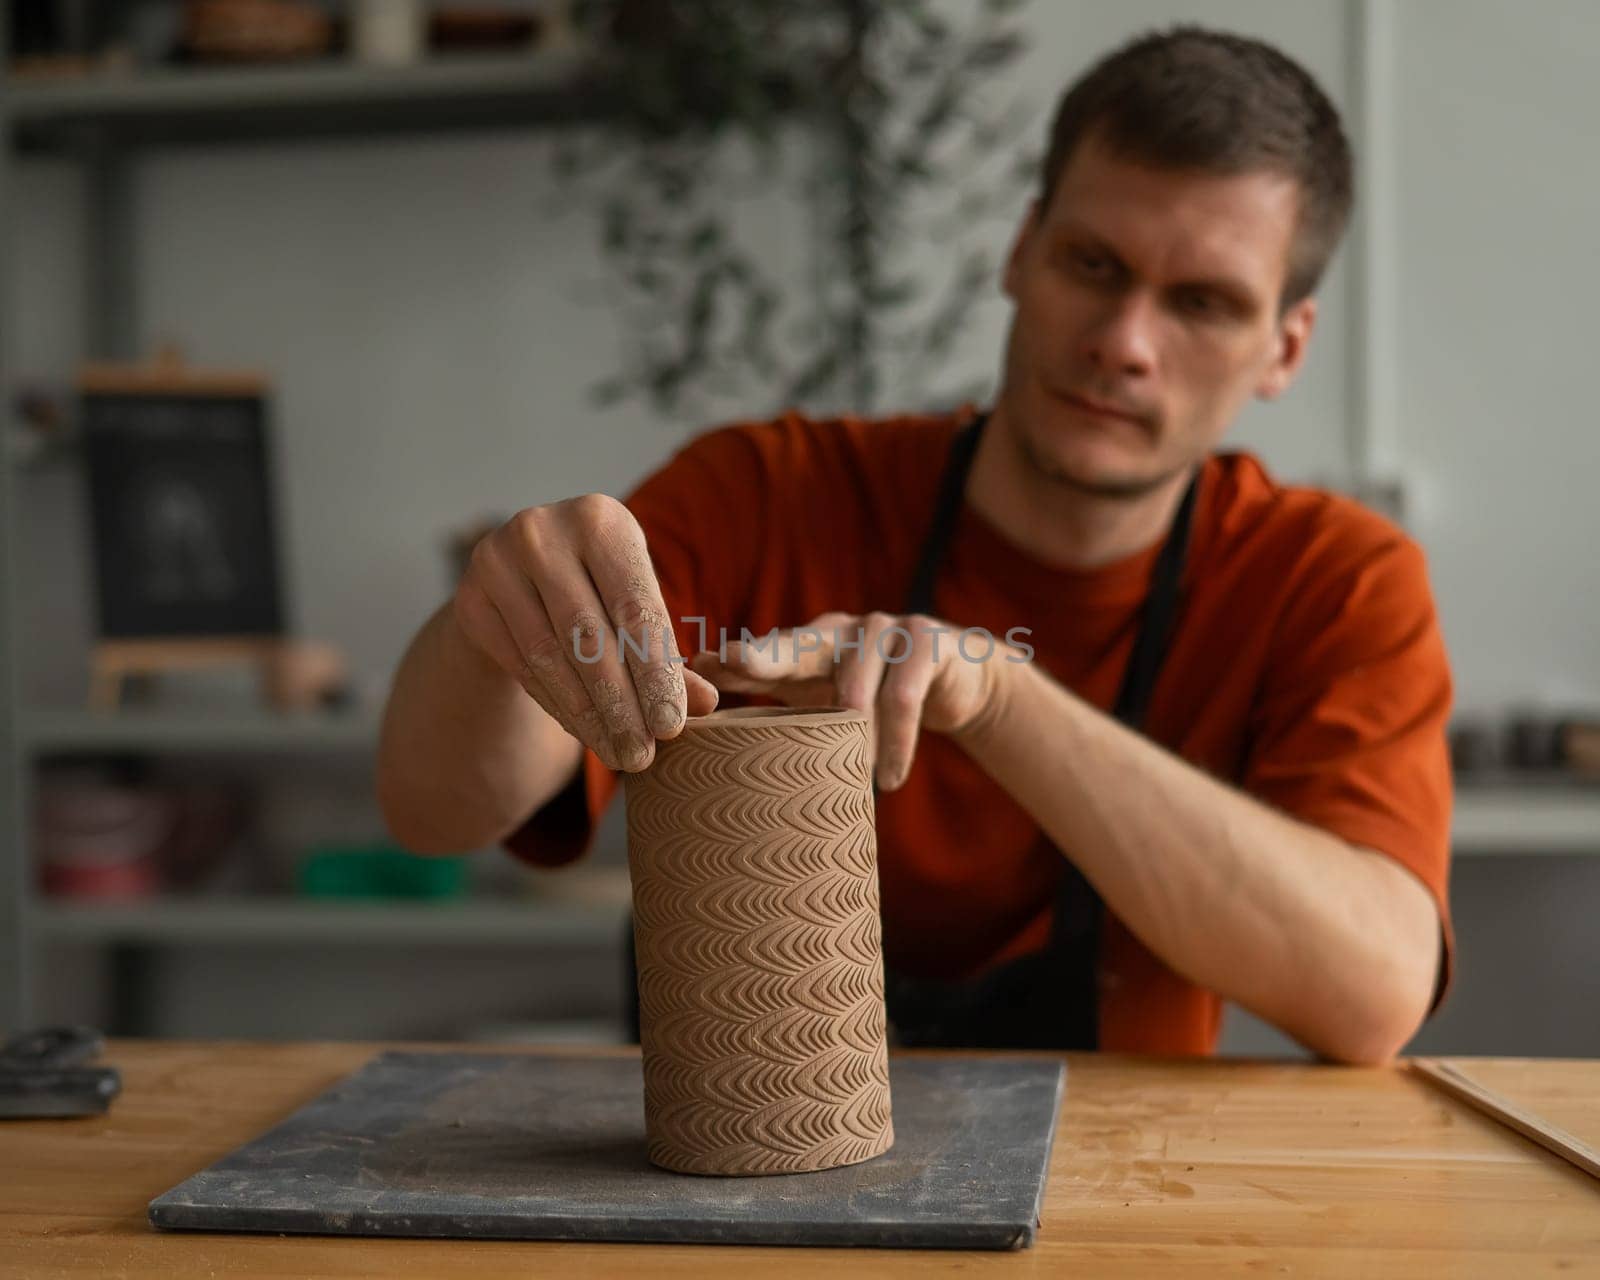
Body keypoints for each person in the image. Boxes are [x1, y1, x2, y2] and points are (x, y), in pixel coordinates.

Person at [378, 27, 1453, 1063]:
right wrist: (491, 635)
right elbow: (435, 812)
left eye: (1203, 303)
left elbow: (1371, 997)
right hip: (737, 1179)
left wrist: (999, 701)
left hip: (1119, 1194)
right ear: (1021, 252)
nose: (1124, 342)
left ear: (1285, 346)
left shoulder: (1331, 579)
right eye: (1090, 262)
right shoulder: (769, 491)